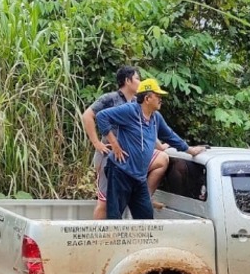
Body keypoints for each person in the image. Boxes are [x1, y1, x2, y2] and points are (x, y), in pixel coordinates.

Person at [95, 78, 206, 220]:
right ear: (147, 98)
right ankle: (110, 241)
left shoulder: (156, 118)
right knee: (114, 218)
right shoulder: (130, 111)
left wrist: (190, 150)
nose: (161, 100)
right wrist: (115, 145)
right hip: (120, 172)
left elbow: (170, 136)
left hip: (139, 178)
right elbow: (101, 117)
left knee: (146, 218)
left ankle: (142, 242)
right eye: (158, 96)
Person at [83, 66, 140, 220]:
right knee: (104, 202)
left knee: (160, 160)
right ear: (127, 81)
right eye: (137, 78)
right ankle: (96, 240)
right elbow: (87, 116)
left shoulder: (137, 103)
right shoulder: (110, 98)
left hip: (127, 159)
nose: (140, 82)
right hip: (108, 157)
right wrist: (97, 143)